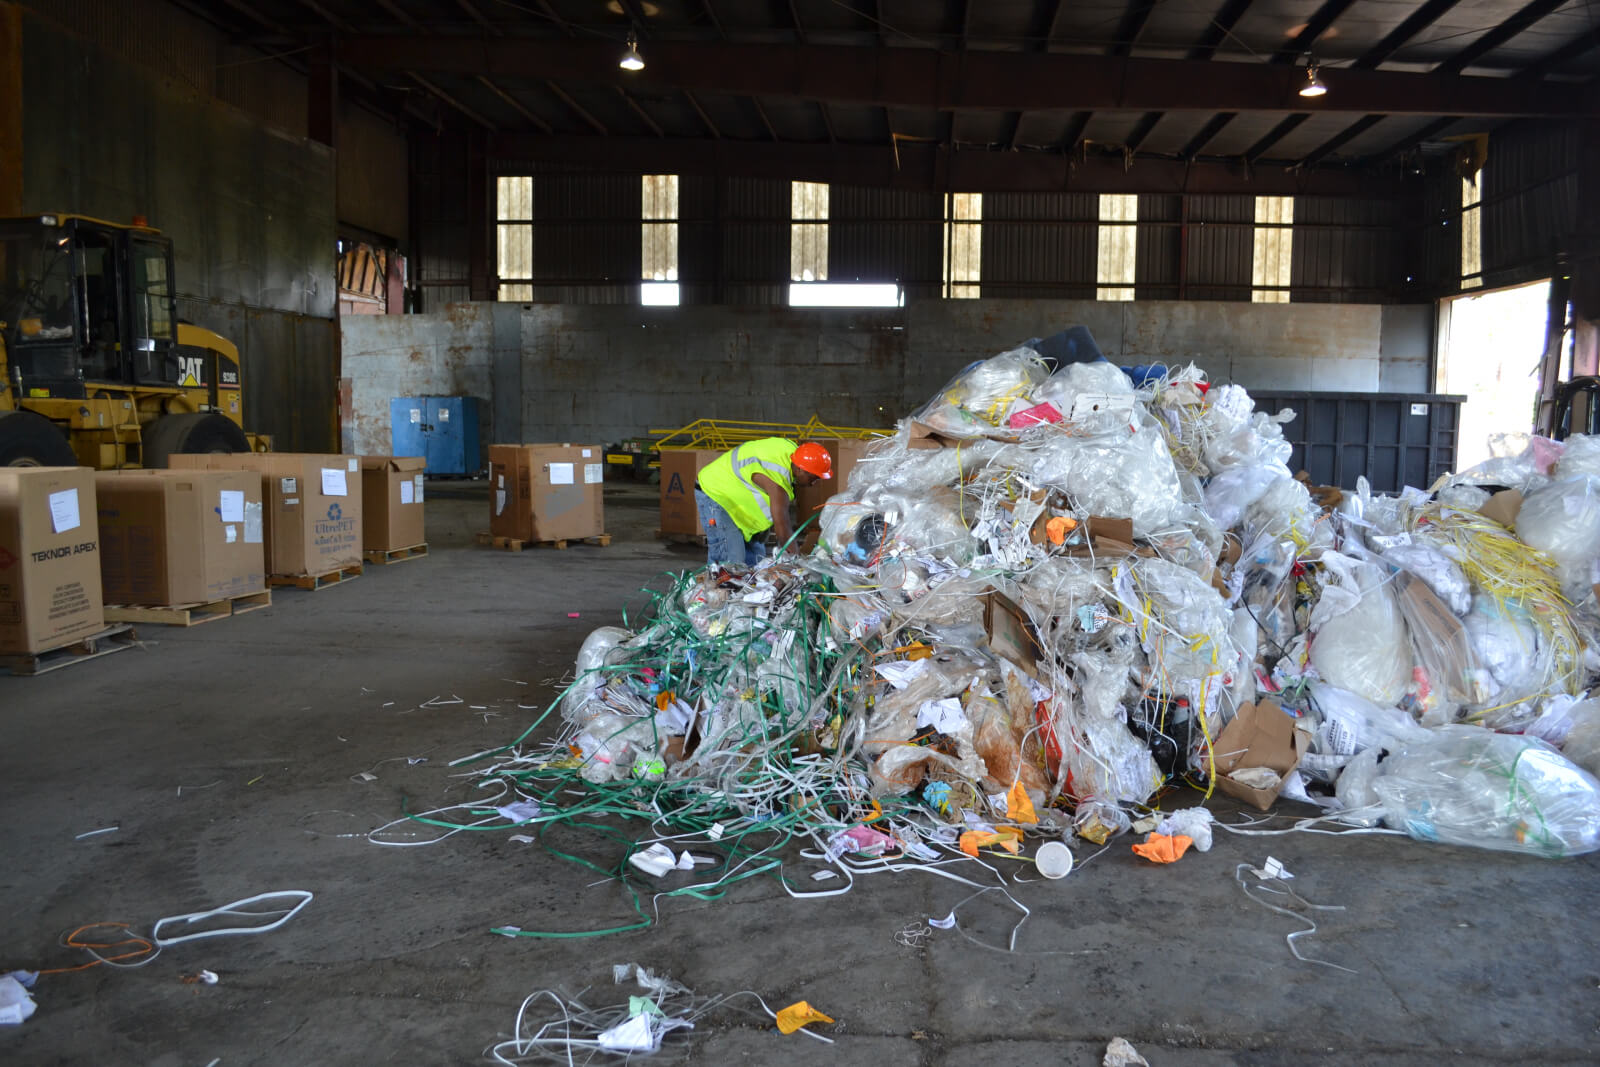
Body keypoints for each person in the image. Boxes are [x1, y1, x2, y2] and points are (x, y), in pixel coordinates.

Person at [694, 438, 832, 566]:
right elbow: (783, 528)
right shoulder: (778, 480)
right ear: (800, 469)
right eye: (814, 478)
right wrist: (796, 561)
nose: (814, 483)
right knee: (731, 563)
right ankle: (715, 592)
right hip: (715, 493)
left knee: (756, 562)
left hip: (733, 498)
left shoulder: (793, 453)